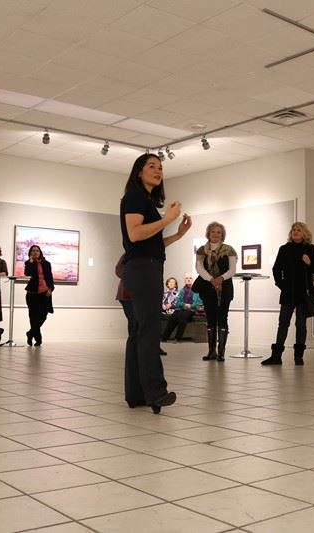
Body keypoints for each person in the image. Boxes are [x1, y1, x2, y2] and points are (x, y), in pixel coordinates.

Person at [121, 153, 191, 414]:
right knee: (149, 329)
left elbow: (149, 243)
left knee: (139, 331)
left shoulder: (144, 199)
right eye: (151, 166)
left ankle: (136, 394)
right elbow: (135, 234)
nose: (157, 170)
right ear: (138, 171)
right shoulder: (136, 196)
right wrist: (168, 218)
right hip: (143, 270)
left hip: (144, 265)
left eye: (160, 167)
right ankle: (156, 392)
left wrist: (177, 235)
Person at [262, 221, 314, 366]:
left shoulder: (311, 249)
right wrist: (282, 285)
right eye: (294, 230)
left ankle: (298, 357)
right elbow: (276, 269)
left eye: (299, 230)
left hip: (304, 293)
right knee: (283, 323)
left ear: (304, 233)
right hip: (288, 292)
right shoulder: (284, 249)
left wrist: (310, 262)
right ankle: (276, 356)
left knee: (300, 324)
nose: (295, 232)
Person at [196, 222, 237, 361]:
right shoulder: (202, 250)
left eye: (218, 232)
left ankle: (221, 353)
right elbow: (199, 268)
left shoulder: (229, 250)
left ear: (222, 234)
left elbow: (232, 270)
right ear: (208, 233)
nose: (215, 234)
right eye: (213, 231)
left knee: (222, 318)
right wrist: (211, 280)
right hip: (208, 288)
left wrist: (221, 278)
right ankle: (211, 351)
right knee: (210, 319)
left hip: (225, 288)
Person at [116, 256, 166, 355]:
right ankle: (134, 348)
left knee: (145, 321)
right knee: (134, 322)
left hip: (144, 294)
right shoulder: (130, 254)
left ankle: (149, 347)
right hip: (128, 295)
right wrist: (134, 278)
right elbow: (118, 270)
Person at [23, 245, 54, 346]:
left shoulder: (47, 264)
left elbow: (50, 278)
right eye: (33, 251)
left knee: (43, 315)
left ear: (40, 252)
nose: (35, 252)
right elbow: (27, 273)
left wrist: (50, 289)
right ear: (30, 253)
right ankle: (38, 339)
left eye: (37, 251)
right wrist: (31, 262)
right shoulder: (28, 263)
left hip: (44, 293)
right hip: (32, 293)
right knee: (33, 317)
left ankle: (30, 333)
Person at [161, 274, 202, 342]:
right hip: (182, 309)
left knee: (183, 315)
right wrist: (185, 305)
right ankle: (164, 337)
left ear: (193, 280)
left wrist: (189, 306)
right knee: (175, 314)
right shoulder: (182, 291)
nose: (188, 280)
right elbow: (178, 302)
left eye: (190, 278)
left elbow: (198, 304)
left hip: (191, 310)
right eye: (186, 278)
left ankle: (177, 338)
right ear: (185, 280)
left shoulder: (197, 291)